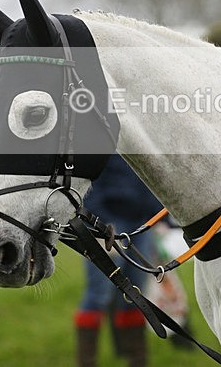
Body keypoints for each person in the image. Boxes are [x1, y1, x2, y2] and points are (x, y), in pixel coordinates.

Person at [74, 154, 163, 367]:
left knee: (135, 295)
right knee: (98, 295)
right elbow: (88, 187)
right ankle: (86, 363)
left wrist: (158, 217)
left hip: (140, 224)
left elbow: (146, 181)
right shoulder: (99, 144)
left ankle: (137, 361)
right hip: (109, 226)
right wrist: (101, 225)